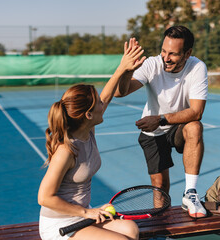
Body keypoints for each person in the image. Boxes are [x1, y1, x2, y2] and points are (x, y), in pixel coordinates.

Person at [38, 38, 146, 240]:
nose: (102, 104)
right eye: (97, 103)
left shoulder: (88, 132)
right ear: (88, 115)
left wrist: (122, 68)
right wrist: (87, 212)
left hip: (80, 214)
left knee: (131, 229)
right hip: (59, 223)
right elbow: (44, 197)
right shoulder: (66, 150)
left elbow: (107, 95)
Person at [114, 26, 208, 218]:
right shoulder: (152, 64)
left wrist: (160, 119)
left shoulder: (197, 67)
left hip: (175, 126)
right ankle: (162, 225)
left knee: (195, 127)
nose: (165, 57)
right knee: (160, 187)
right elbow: (119, 92)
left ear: (187, 53)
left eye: (173, 54)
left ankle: (190, 194)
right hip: (152, 132)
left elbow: (197, 111)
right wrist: (126, 70)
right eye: (163, 51)